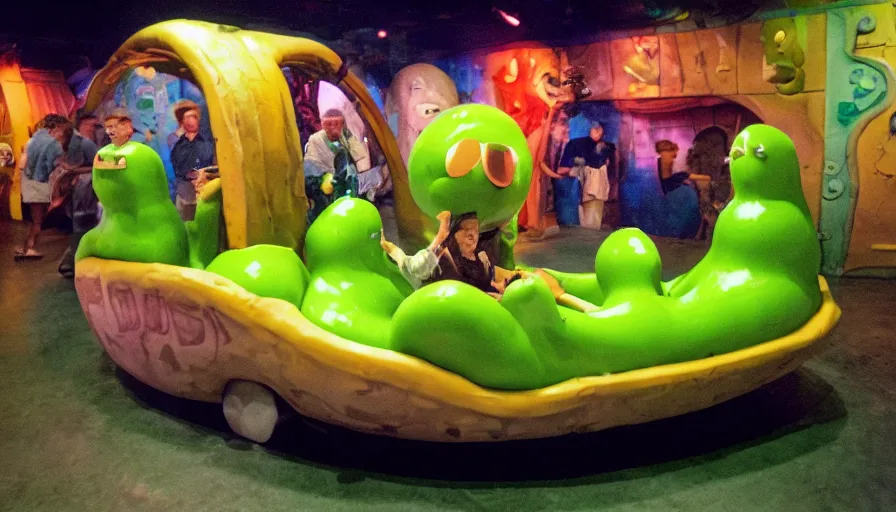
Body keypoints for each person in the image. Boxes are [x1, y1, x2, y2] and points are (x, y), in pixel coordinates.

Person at [15, 114, 70, 261]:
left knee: (36, 219)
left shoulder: (32, 142)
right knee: (38, 220)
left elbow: (22, 165)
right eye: (61, 130)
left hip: (30, 186)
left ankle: (26, 246)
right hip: (38, 186)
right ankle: (29, 248)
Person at [432, 212, 522, 299]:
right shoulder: (447, 259)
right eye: (467, 230)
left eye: (476, 230)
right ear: (454, 234)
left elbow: (489, 283)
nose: (473, 235)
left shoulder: (482, 258)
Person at [304, 109, 370, 223]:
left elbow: (361, 157)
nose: (333, 127)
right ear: (322, 125)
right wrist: (323, 178)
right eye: (329, 124)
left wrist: (359, 173)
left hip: (344, 178)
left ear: (343, 124)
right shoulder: (315, 139)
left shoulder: (346, 136)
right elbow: (310, 164)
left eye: (337, 123)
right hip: (323, 181)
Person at [55, 113, 100, 277]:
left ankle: (73, 261)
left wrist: (71, 170)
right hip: (80, 190)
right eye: (91, 125)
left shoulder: (79, 142)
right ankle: (74, 261)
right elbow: (98, 164)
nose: (93, 129)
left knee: (80, 225)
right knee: (81, 224)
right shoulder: (84, 143)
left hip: (80, 189)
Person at [557, 121, 614, 228]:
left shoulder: (604, 148)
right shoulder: (577, 144)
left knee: (591, 223)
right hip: (578, 191)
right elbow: (562, 170)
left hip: (593, 191)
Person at [380, 210, 451, 289]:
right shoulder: (410, 263)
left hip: (420, 278)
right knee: (440, 241)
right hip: (418, 269)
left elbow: (390, 247)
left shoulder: (404, 264)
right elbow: (388, 246)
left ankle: (446, 223)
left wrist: (382, 239)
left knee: (440, 247)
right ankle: (445, 220)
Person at [170, 100, 216, 221]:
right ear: (182, 121)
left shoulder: (208, 143)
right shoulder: (178, 145)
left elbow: (212, 164)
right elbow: (178, 167)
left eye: (194, 117)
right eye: (187, 117)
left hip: (204, 196)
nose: (191, 121)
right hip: (185, 197)